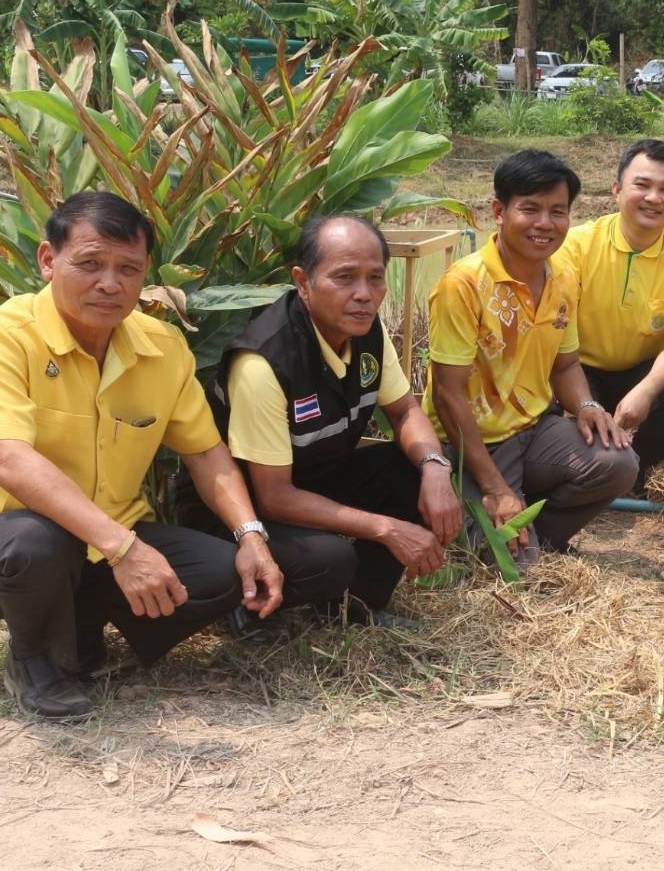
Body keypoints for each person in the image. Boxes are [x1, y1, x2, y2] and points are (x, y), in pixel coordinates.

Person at [0, 192, 283, 719]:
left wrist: (251, 536)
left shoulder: (162, 347)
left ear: (144, 273)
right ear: (48, 260)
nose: (109, 283)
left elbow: (207, 455)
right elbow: (10, 463)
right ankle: (32, 659)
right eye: (89, 264)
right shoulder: (1, 337)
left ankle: (76, 630)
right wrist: (124, 549)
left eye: (127, 269)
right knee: (36, 540)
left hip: (105, 540)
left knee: (221, 570)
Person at [192, 215, 463, 636]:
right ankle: (245, 604)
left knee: (411, 468)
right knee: (330, 558)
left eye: (375, 278)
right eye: (345, 277)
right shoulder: (264, 362)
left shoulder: (365, 331)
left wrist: (434, 466)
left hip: (312, 480)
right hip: (242, 511)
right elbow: (273, 496)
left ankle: (353, 607)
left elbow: (406, 411)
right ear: (303, 281)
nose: (364, 295)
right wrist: (387, 528)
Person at [425, 150, 638, 561]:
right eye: (530, 209)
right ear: (499, 211)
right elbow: (447, 396)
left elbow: (566, 363)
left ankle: (541, 536)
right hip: (473, 444)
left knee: (619, 462)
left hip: (533, 429)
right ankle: (505, 521)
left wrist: (587, 405)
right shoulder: (463, 285)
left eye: (558, 211)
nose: (545, 224)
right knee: (509, 570)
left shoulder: (562, 276)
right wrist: (494, 487)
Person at [555, 139, 664, 492]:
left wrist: (645, 391)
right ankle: (588, 465)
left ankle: (641, 471)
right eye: (642, 185)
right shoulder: (577, 245)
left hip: (646, 370)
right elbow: (554, 335)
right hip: (578, 368)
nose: (653, 198)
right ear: (616, 190)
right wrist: (581, 400)